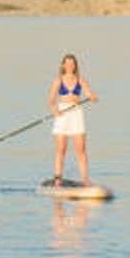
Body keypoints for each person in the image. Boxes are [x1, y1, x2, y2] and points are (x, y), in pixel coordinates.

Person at [47, 53, 99, 186]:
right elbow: (51, 101)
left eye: (72, 63)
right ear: (63, 65)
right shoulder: (58, 80)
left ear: (75, 66)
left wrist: (92, 97)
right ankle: (57, 180)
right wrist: (55, 111)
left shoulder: (80, 79)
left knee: (81, 149)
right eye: (68, 63)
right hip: (62, 114)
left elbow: (88, 93)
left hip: (76, 113)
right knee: (61, 149)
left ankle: (85, 180)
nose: (70, 66)